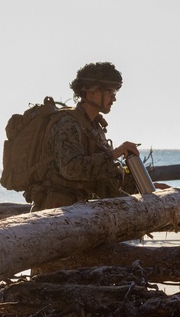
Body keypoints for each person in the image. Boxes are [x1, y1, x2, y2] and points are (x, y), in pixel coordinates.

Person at [29, 62, 140, 211]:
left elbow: (101, 176)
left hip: (80, 212)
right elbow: (71, 169)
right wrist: (113, 154)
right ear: (90, 92)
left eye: (114, 93)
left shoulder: (94, 127)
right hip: (56, 214)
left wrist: (141, 186)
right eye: (109, 92)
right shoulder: (68, 124)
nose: (113, 99)